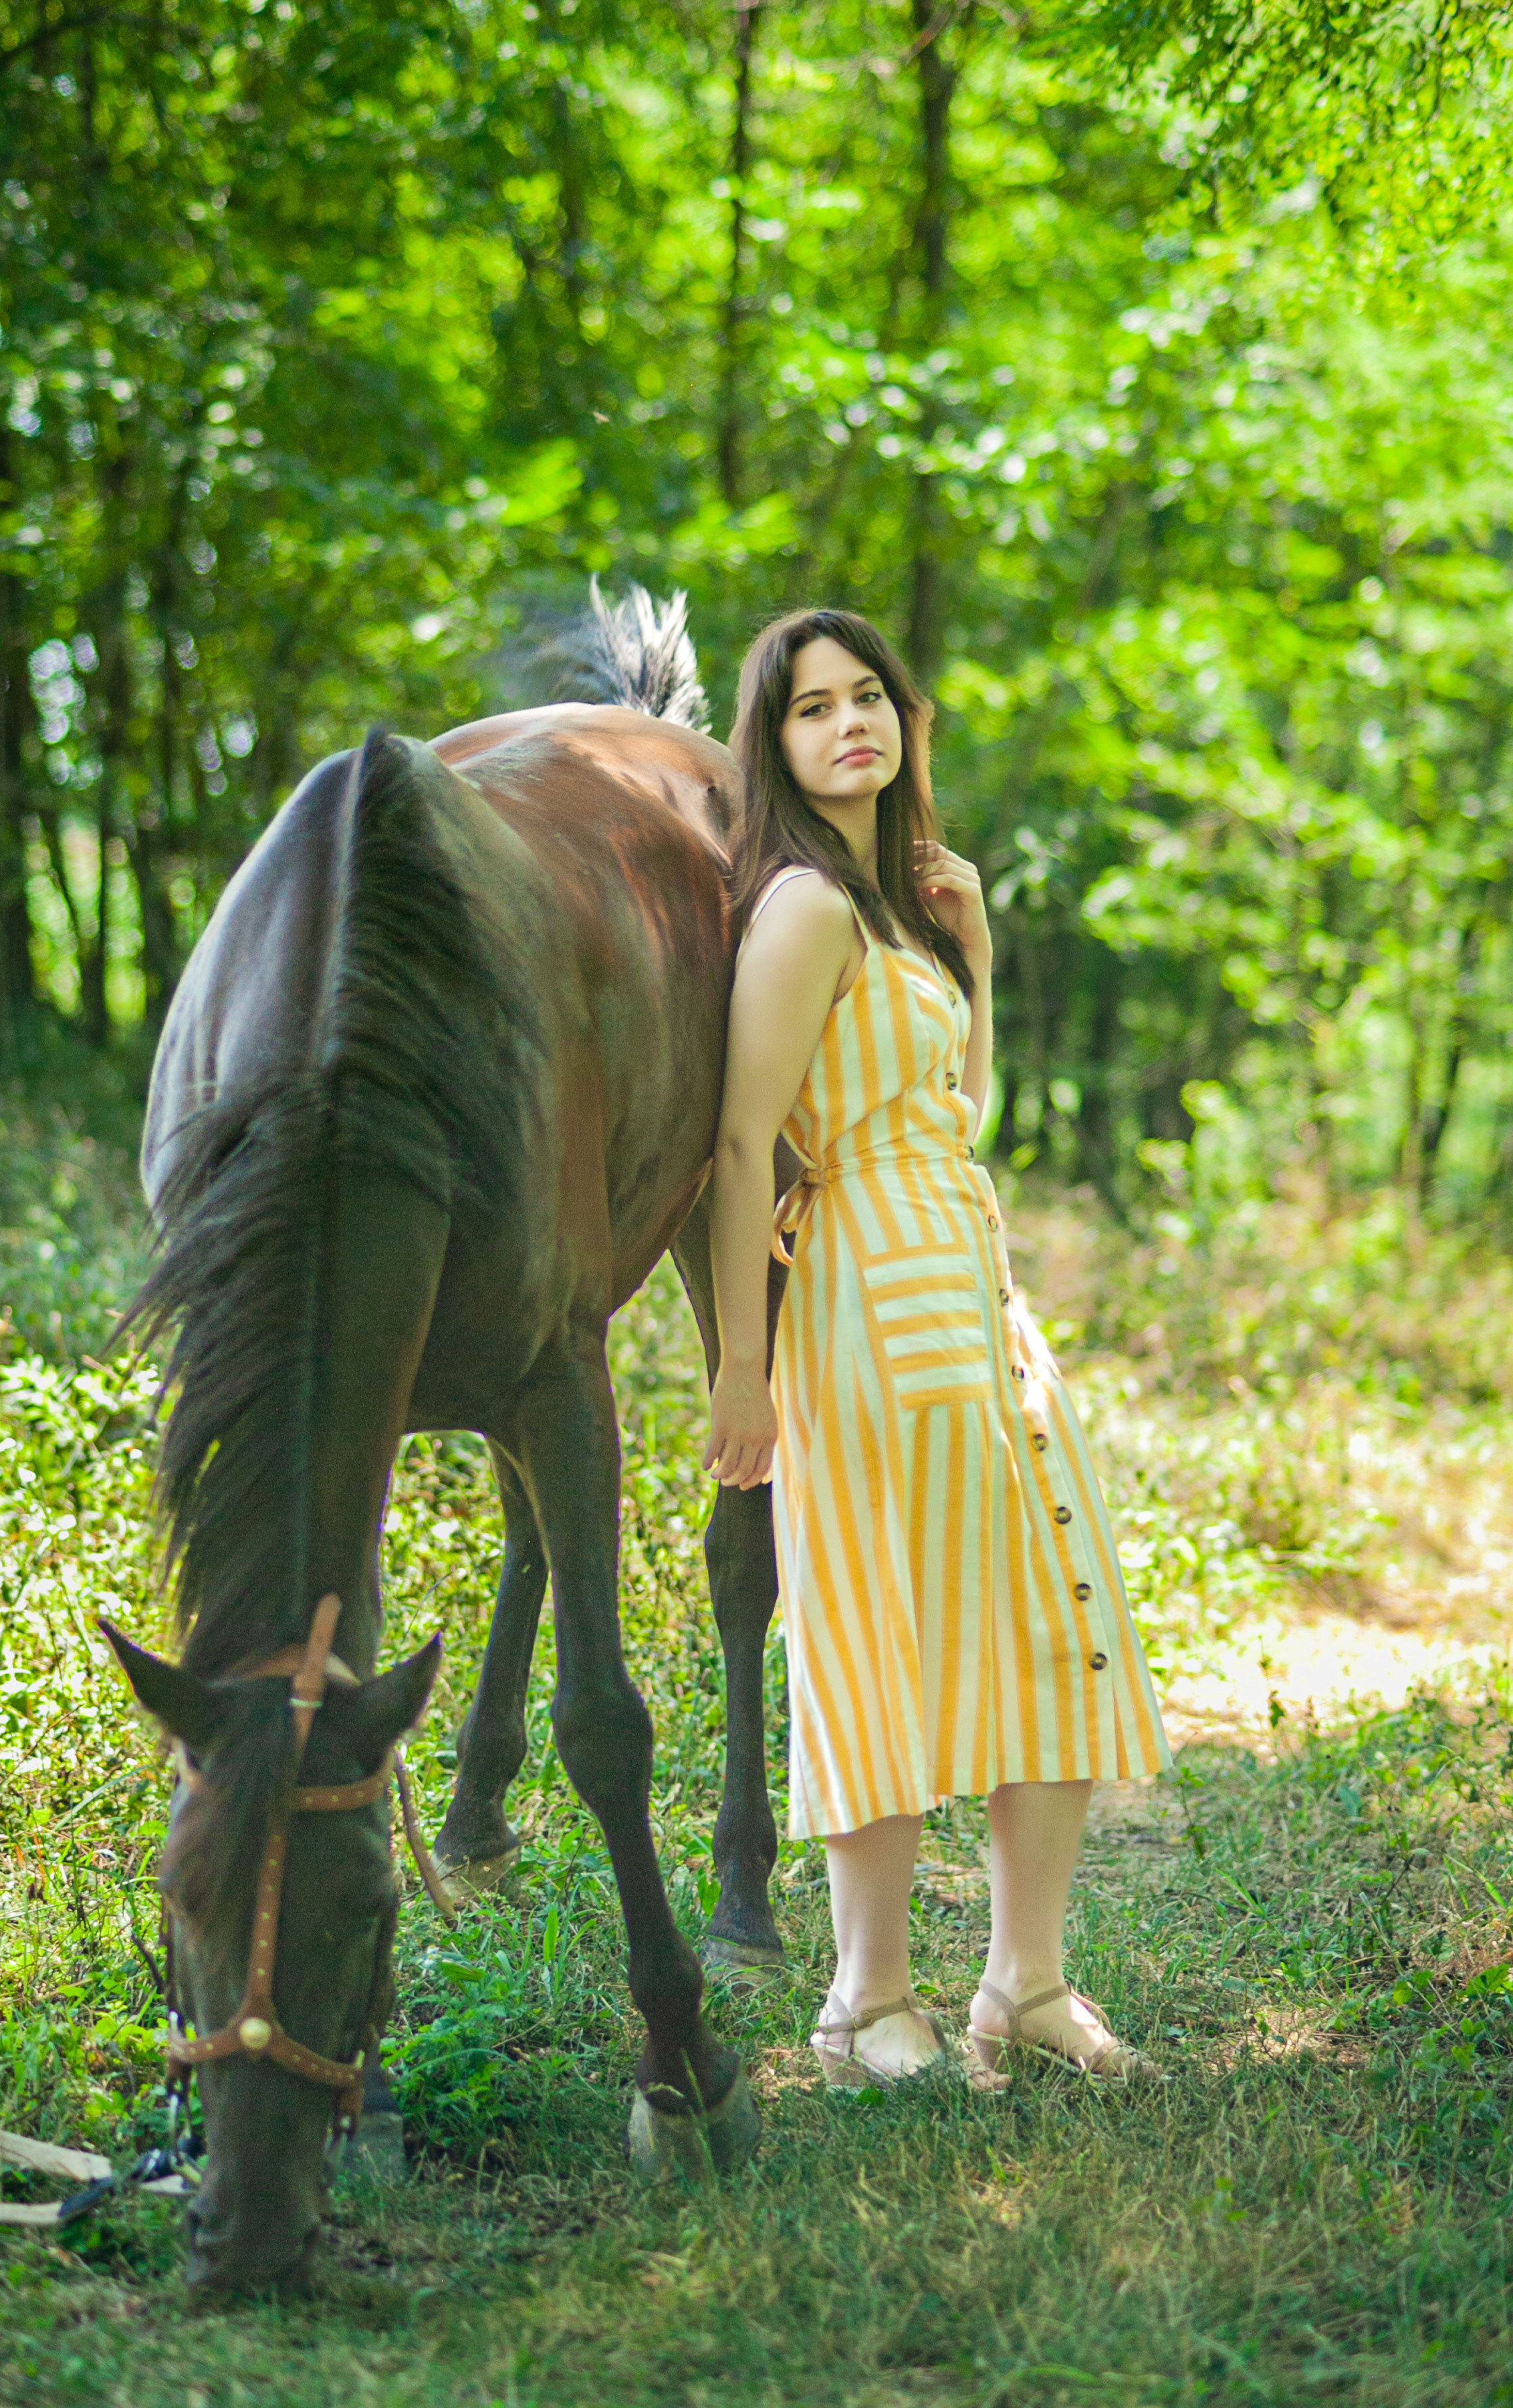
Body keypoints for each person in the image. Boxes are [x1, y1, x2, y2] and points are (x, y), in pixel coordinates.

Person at [703, 609, 1173, 2089]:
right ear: (774, 742)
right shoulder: (803, 908)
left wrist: (973, 948)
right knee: (876, 1635)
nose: (849, 723)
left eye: (868, 696)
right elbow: (741, 1141)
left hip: (971, 1290)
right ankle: (863, 2001)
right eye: (811, 707)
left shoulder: (898, 907)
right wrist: (738, 1365)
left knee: (1049, 1614)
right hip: (861, 1298)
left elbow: (956, 1113)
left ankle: (1023, 1984)